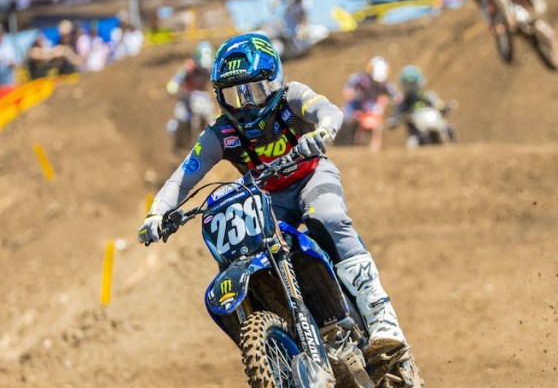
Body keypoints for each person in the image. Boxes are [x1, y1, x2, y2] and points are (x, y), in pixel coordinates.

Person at [137, 32, 409, 360]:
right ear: (219, 97)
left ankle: (381, 316)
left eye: (253, 91)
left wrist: (323, 131)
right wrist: (158, 212)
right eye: (234, 96)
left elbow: (328, 110)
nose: (246, 105)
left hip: (311, 176)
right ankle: (288, 335)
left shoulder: (292, 98)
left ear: (274, 82)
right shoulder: (221, 132)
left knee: (327, 217)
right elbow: (183, 177)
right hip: (266, 199)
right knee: (247, 249)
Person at [342, 56, 400, 152]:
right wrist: (351, 95)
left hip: (372, 106)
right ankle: (342, 141)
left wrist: (393, 104)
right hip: (357, 104)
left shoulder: (385, 84)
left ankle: (374, 146)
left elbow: (396, 96)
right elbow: (348, 90)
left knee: (379, 121)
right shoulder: (360, 79)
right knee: (346, 118)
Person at [390, 64, 456, 146]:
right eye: (408, 84)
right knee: (412, 143)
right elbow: (397, 113)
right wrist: (393, 121)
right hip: (417, 129)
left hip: (433, 121)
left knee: (448, 128)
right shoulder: (403, 101)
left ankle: (454, 145)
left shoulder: (427, 95)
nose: (411, 87)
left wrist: (445, 107)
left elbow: (438, 105)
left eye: (412, 84)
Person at [165, 42, 215, 143]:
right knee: (181, 117)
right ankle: (178, 139)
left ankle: (214, 140)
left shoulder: (210, 69)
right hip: (187, 97)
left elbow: (216, 80)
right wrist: (173, 84)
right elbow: (178, 76)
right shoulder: (189, 66)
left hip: (203, 97)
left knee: (212, 119)